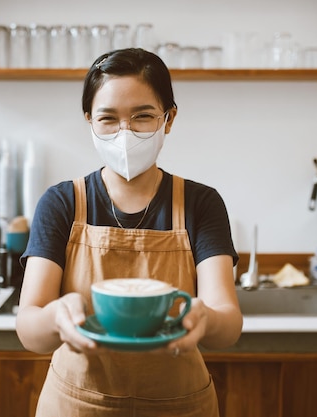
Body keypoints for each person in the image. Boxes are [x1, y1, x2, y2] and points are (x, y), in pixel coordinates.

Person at [16, 48, 242, 417]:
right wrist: (55, 317)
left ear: (168, 119)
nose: (125, 133)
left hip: (178, 405)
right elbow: (29, 328)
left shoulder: (201, 203)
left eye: (143, 117)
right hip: (76, 404)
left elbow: (228, 323)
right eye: (108, 118)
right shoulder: (61, 202)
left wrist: (206, 318)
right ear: (89, 120)